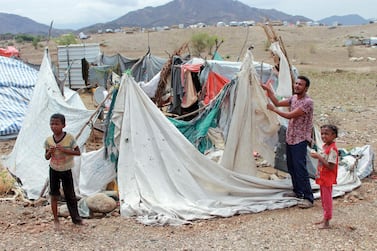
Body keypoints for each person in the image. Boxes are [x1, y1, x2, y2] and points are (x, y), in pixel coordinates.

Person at [262, 75, 314, 208]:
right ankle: (298, 191)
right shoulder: (294, 98)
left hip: (300, 139)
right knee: (291, 166)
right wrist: (269, 92)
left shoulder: (307, 102)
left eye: (300, 84)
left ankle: (308, 197)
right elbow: (278, 103)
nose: (297, 86)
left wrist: (273, 110)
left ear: (306, 88)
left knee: (300, 168)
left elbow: (290, 115)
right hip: (291, 137)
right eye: (296, 83)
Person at [44, 113, 83, 231]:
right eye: (52, 124)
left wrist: (65, 150)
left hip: (66, 169)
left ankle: (76, 219)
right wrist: (50, 152)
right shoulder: (49, 140)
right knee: (54, 195)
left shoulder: (69, 138)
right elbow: (46, 157)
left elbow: (78, 152)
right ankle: (56, 219)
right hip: (54, 169)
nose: (54, 126)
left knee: (70, 195)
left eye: (57, 124)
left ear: (63, 125)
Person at [310, 124, 339, 229]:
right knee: (323, 198)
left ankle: (327, 221)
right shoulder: (325, 146)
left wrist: (318, 156)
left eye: (326, 134)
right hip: (322, 176)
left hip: (327, 177)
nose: (323, 136)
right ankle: (325, 217)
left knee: (327, 199)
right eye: (322, 134)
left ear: (333, 135)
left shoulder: (332, 149)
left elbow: (331, 166)